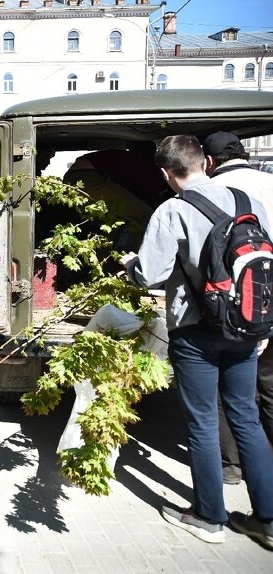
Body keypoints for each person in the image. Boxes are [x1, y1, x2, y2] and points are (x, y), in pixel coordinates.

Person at [121, 134, 273, 548]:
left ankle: (209, 516)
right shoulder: (249, 203)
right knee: (246, 417)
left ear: (166, 173)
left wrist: (132, 265)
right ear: (205, 161)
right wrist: (263, 327)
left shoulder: (172, 210)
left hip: (196, 331)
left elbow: (151, 274)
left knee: (203, 422)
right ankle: (268, 520)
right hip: (245, 326)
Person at [202, 131, 273, 486]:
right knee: (270, 384)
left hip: (236, 302)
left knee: (229, 386)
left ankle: (231, 466)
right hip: (270, 292)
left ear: (210, 162)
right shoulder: (269, 182)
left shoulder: (217, 193)